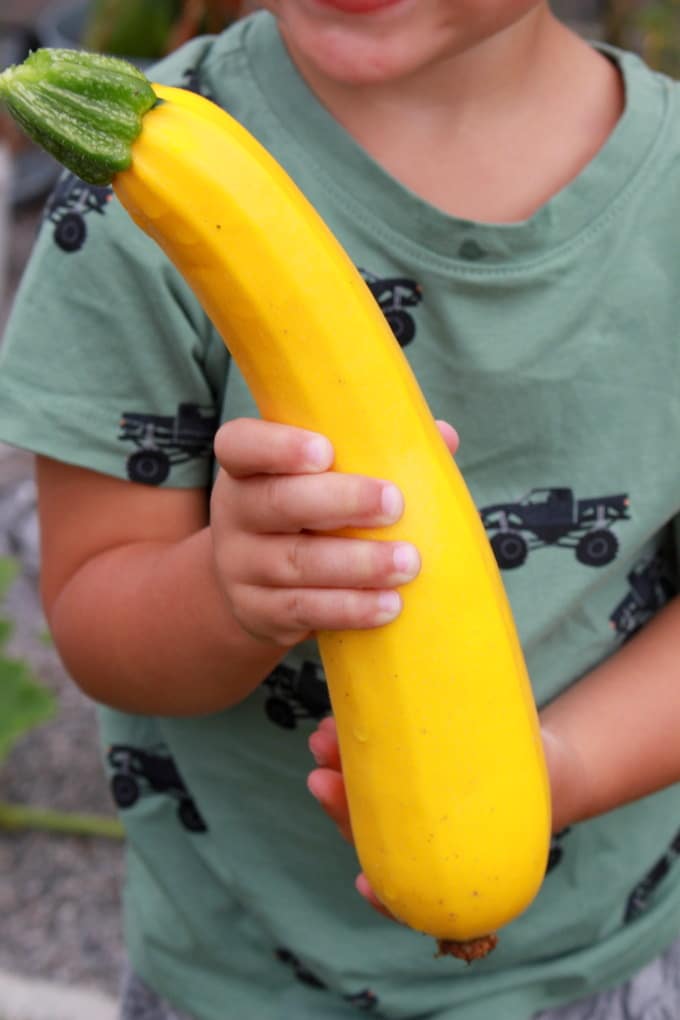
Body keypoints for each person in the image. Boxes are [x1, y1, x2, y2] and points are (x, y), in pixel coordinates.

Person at [1, 1, 679, 1017]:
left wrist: (562, 765)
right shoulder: (137, 188)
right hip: (239, 975)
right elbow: (95, 612)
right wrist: (222, 594)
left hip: (602, 957)